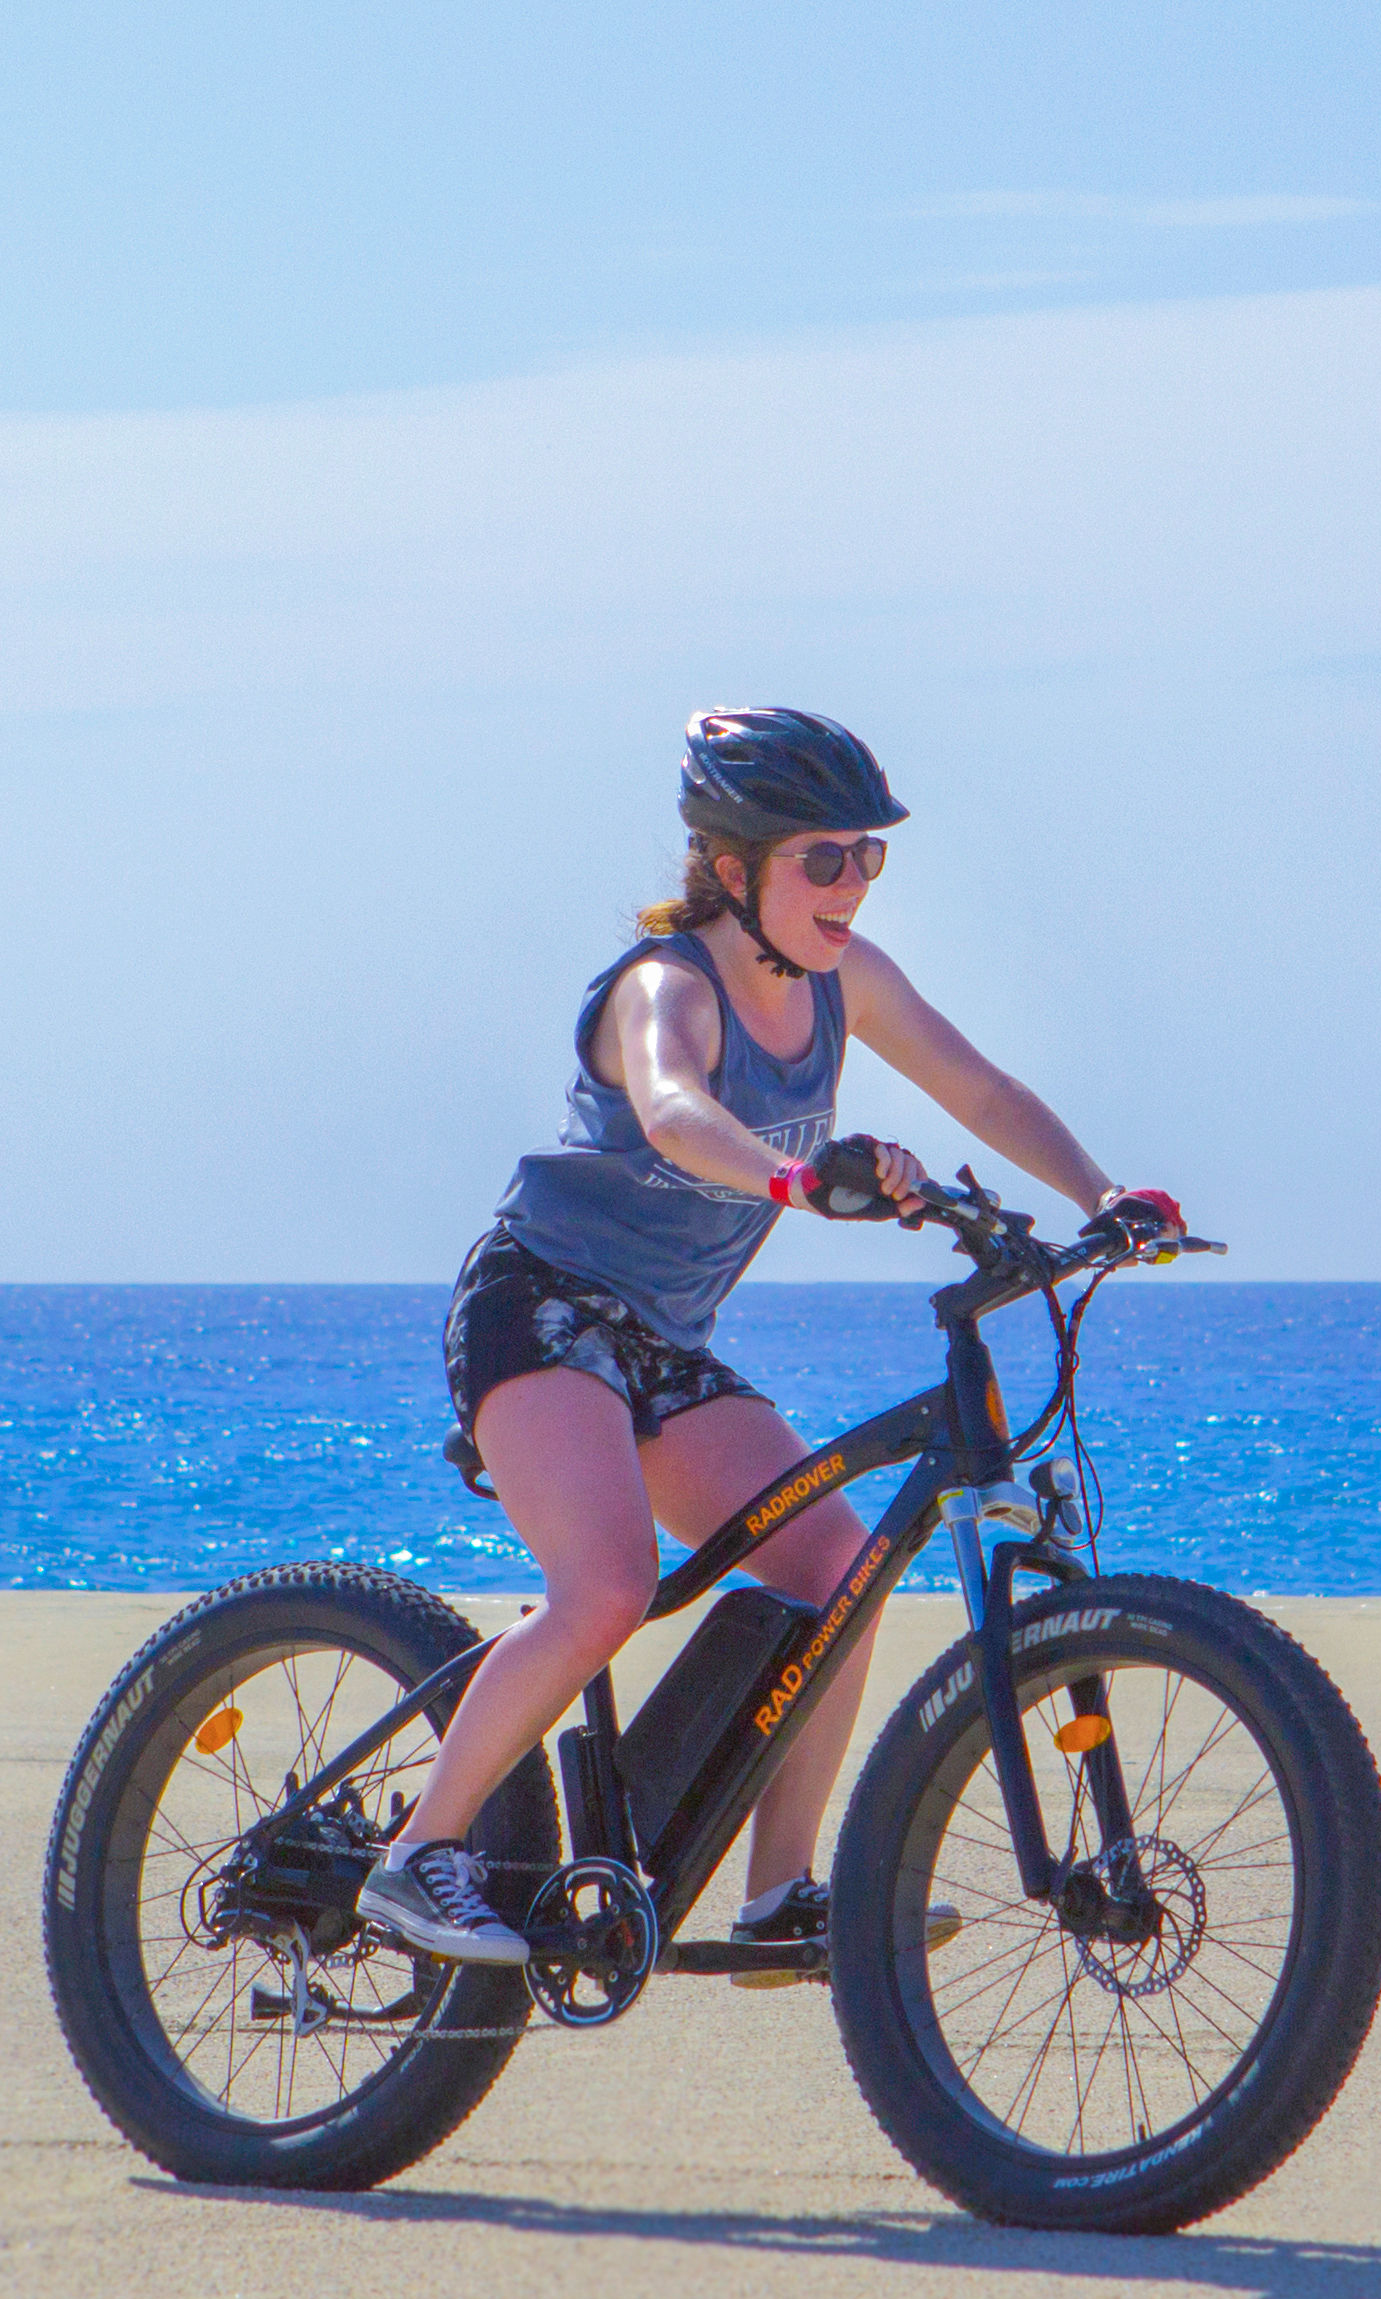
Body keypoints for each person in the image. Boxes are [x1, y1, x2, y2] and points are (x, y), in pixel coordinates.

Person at [356, 707, 1176, 1973]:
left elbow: (980, 1089)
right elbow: (676, 1108)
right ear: (735, 869)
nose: (853, 885)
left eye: (869, 857)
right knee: (610, 1588)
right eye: (824, 859)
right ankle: (419, 1854)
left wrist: (1101, 1196)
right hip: (540, 1307)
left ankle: (779, 1888)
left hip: (665, 1342)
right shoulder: (665, 984)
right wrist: (794, 1181)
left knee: (839, 1567)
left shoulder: (849, 985)